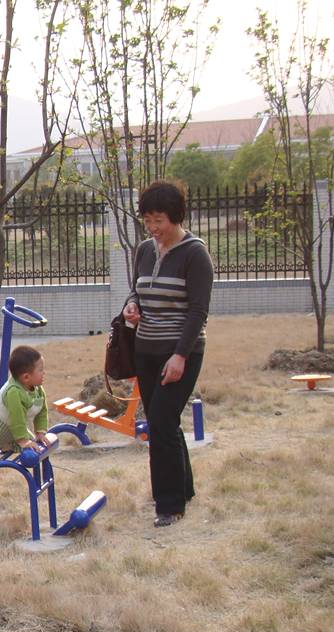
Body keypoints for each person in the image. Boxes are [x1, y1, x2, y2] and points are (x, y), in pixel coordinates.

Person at [121, 179, 213, 527]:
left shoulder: (195, 254)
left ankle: (169, 505)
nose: (153, 227)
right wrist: (132, 306)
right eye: (147, 220)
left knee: (159, 422)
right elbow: (136, 291)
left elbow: (198, 312)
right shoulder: (144, 250)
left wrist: (180, 356)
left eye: (158, 220)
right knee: (165, 421)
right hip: (146, 348)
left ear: (176, 216)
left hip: (180, 352)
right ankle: (183, 488)